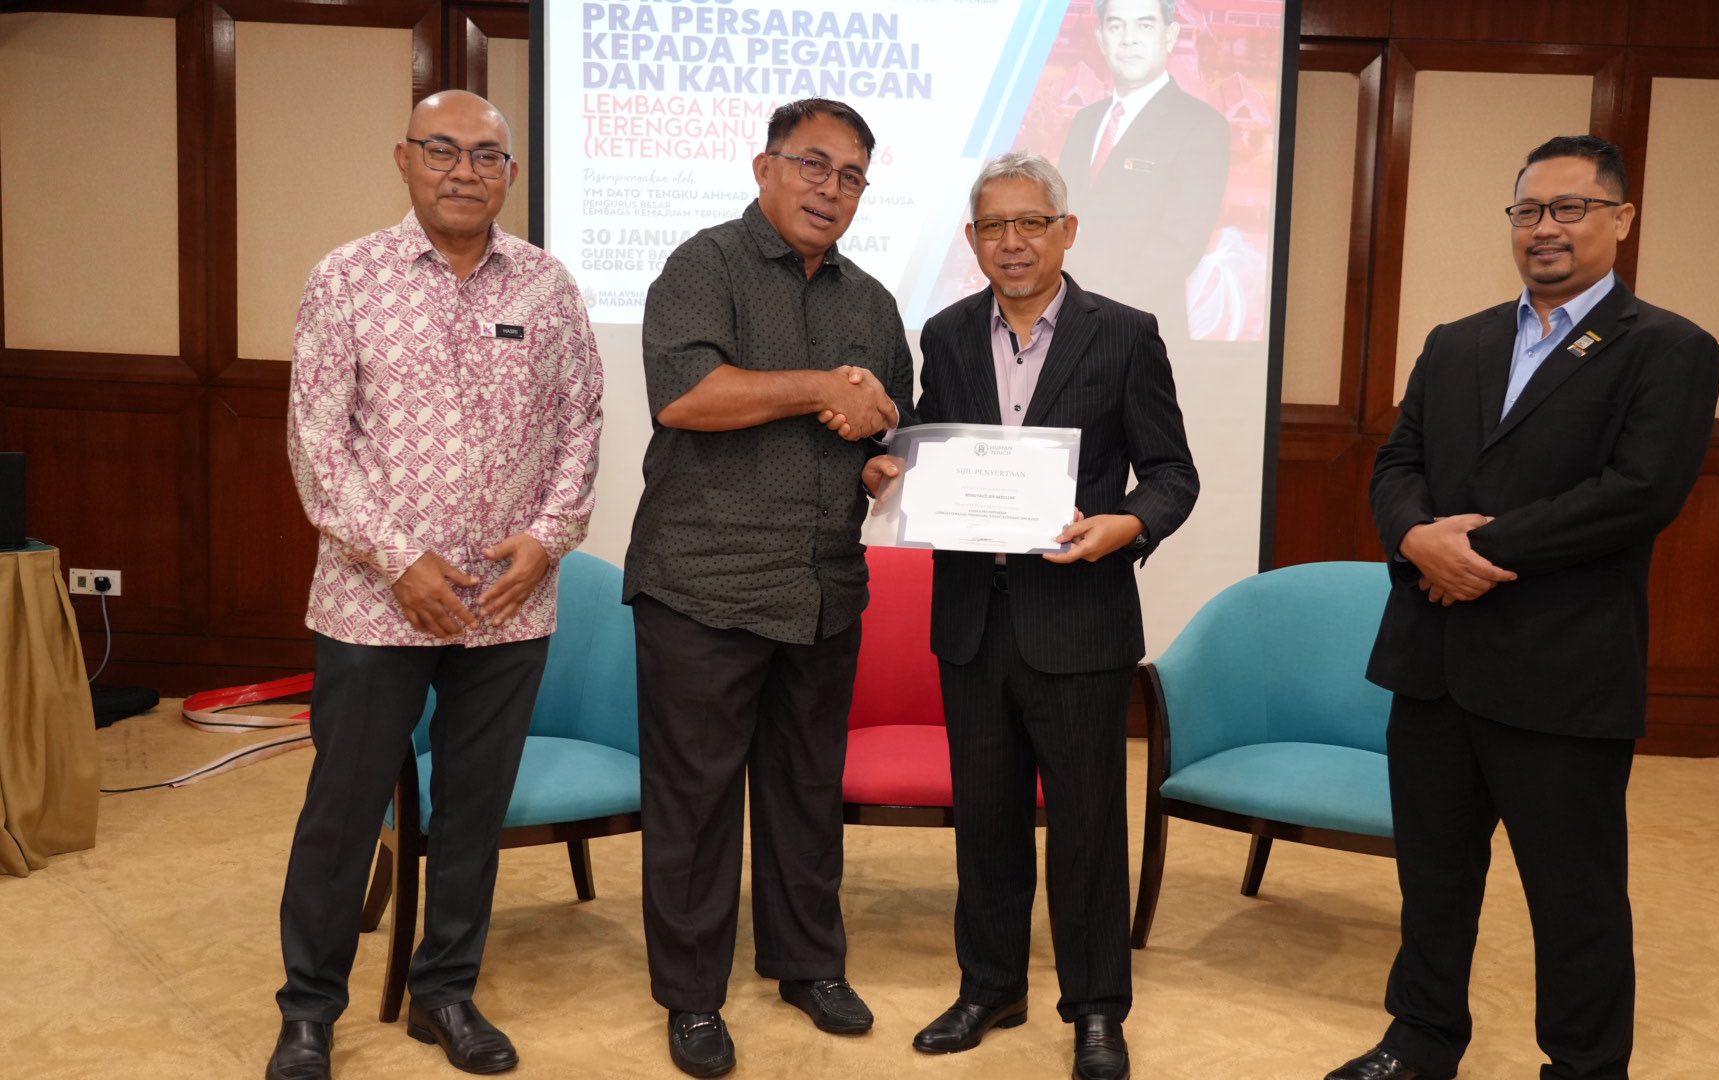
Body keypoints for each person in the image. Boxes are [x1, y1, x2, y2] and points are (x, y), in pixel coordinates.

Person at [1327, 135, 1719, 1080]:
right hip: (1434, 664)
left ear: (1621, 219)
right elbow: (1397, 465)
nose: (1546, 228)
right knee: (1433, 881)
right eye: (1529, 210)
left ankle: (1585, 1067)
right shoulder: (1456, 341)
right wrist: (1415, 537)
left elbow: (1639, 494)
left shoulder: (1668, 347)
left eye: (1570, 207)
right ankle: (1420, 1041)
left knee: (1575, 898)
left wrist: (1471, 551)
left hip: (1563, 673)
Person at [271, 90, 604, 1080]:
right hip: (373, 605)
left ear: (510, 172)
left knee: (472, 812)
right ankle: (309, 1012)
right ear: (404, 158)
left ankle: (446, 993)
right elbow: (317, 444)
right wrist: (398, 561)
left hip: (508, 604)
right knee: (343, 812)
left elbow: (583, 421)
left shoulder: (547, 286)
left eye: (486, 156)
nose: (464, 171)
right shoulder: (346, 278)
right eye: (443, 150)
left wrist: (547, 540)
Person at [869, 151, 1198, 1080]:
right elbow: (935, 448)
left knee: (1088, 825)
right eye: (993, 227)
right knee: (987, 818)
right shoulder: (946, 333)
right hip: (973, 621)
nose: (1011, 242)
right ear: (972, 240)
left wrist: (1127, 524)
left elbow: (1172, 474)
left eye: (1030, 223)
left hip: (1081, 620)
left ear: (1066, 231)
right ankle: (989, 988)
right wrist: (891, 468)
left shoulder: (1124, 334)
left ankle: (1096, 1009)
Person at [624, 98, 915, 1078]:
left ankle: (808, 965)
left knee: (805, 791)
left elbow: (884, 430)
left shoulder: (873, 302)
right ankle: (692, 997)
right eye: (812, 164)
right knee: (697, 803)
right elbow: (685, 396)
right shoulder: (703, 266)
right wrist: (819, 385)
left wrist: (883, 460)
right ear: (765, 168)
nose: (830, 189)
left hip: (823, 586)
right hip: (703, 584)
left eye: (851, 175)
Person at [1056, 0, 1230, 340]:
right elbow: (1060, 220)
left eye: (1145, 25)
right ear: (1101, 37)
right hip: (1066, 329)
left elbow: (1179, 246)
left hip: (1142, 334)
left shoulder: (1202, 125)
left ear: (1170, 35)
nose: (1128, 39)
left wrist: (1091, 310)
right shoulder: (1085, 121)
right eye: (1116, 26)